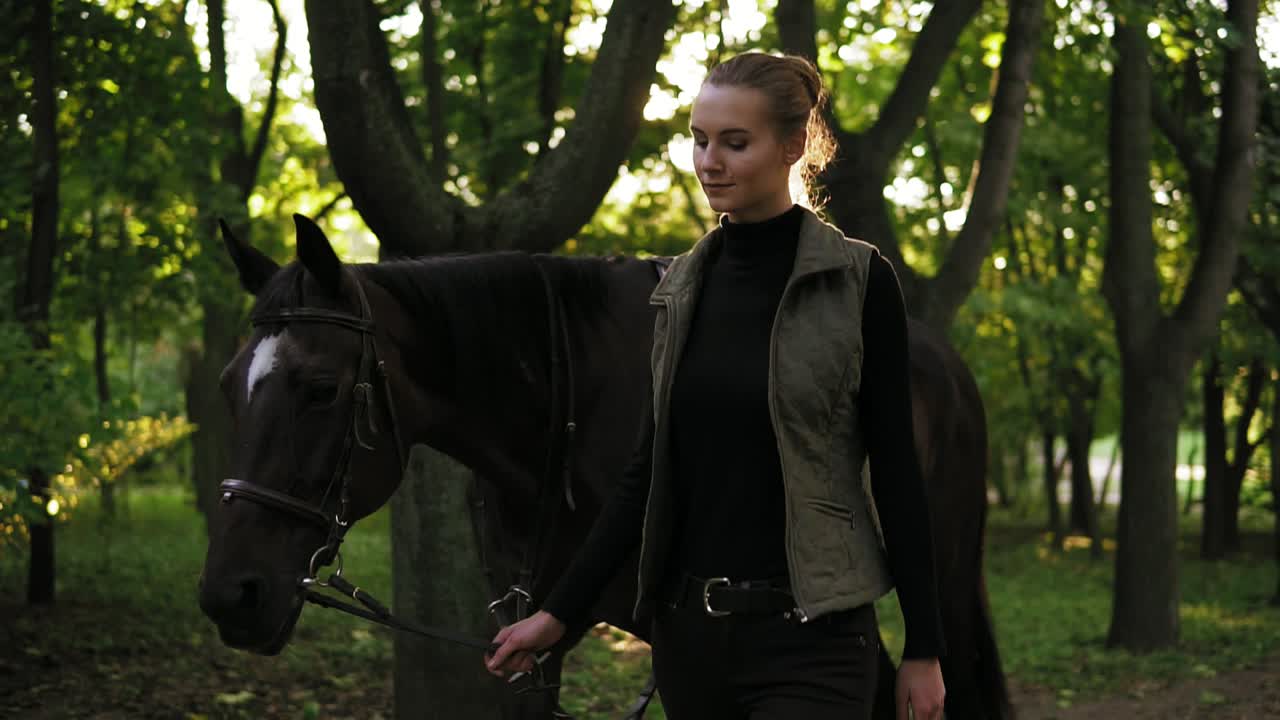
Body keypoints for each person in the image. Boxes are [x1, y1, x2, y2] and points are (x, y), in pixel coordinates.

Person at [486, 51, 946, 720]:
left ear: (793, 146)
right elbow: (644, 476)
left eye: (735, 142)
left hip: (812, 644)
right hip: (691, 647)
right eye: (699, 140)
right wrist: (557, 614)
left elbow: (898, 473)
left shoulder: (858, 281)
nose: (710, 161)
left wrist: (924, 649)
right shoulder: (681, 289)